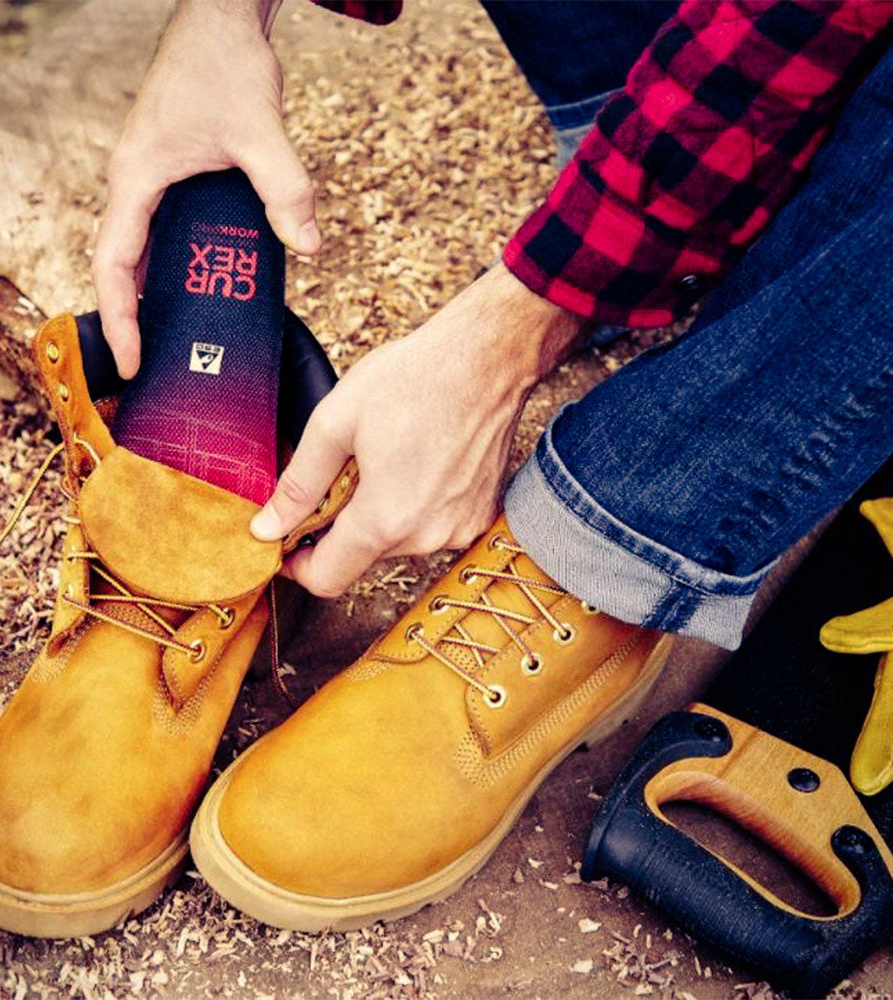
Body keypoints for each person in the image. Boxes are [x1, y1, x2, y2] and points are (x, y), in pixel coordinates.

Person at [88, 0, 893, 929]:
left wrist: (510, 336)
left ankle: (622, 533)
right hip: (697, 70)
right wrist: (218, 21)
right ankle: (669, 188)